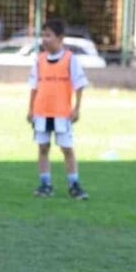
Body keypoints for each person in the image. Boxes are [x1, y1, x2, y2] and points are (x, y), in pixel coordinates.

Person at [27, 18, 89, 200]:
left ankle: (74, 184)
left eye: (48, 35)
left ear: (60, 38)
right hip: (41, 112)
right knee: (43, 148)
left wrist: (77, 108)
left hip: (62, 113)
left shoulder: (70, 59)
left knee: (67, 149)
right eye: (43, 35)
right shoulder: (39, 60)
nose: (44, 40)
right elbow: (34, 86)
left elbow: (79, 85)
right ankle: (45, 184)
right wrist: (30, 109)